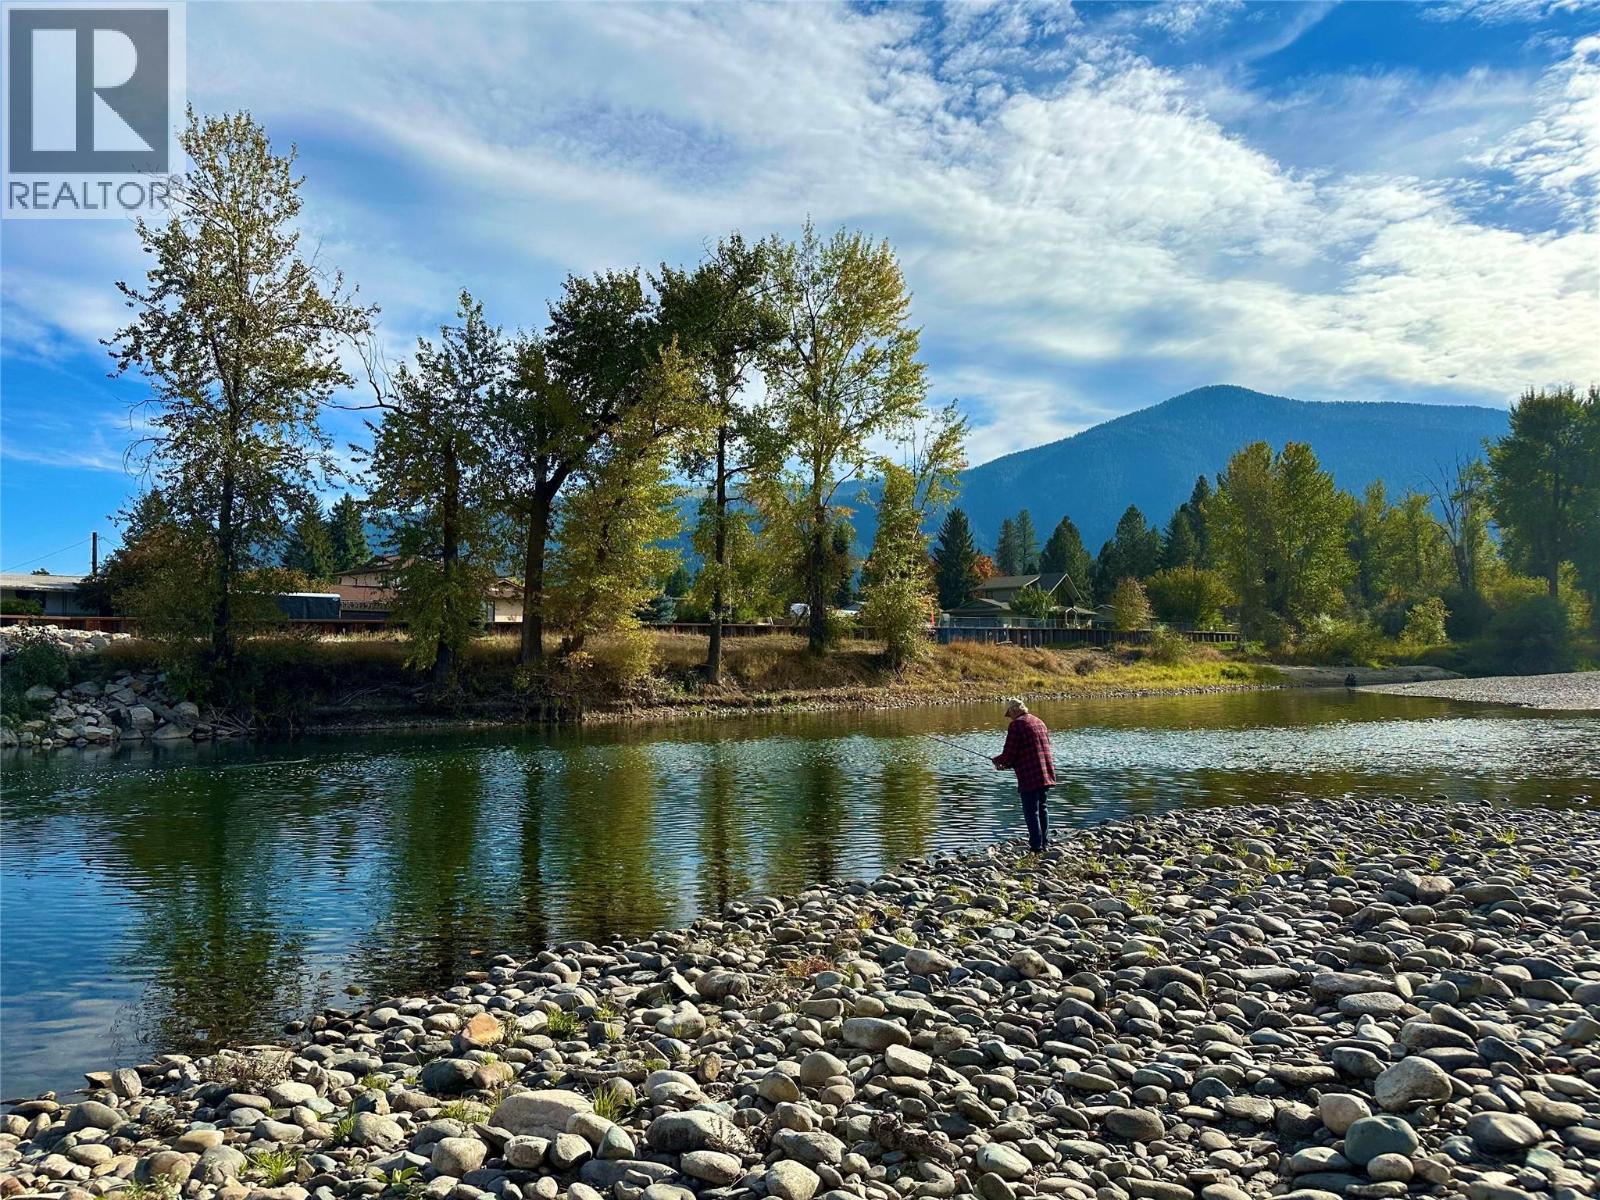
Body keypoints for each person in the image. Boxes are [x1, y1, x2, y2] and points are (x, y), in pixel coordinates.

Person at [991, 698, 1056, 852]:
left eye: (1010, 714)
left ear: (1014, 710)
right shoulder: (1039, 721)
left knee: (1031, 812)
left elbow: (1010, 753)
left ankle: (1036, 846)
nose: (1010, 718)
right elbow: (1026, 750)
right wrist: (1007, 764)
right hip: (1045, 772)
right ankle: (1044, 843)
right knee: (1042, 808)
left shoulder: (1017, 725)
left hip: (1029, 775)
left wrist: (998, 761)